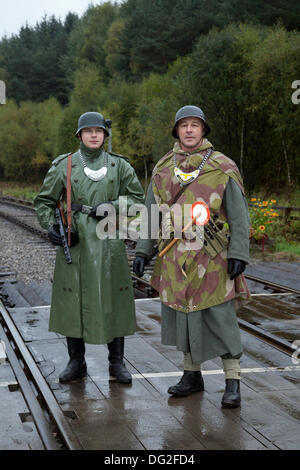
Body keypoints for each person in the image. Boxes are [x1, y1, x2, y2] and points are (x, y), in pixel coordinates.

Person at [133, 105, 251, 407]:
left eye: (194, 125)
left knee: (221, 318)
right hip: (174, 259)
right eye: (183, 125)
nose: (189, 130)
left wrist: (238, 252)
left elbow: (238, 215)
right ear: (176, 131)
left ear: (203, 130)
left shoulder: (222, 166)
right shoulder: (162, 168)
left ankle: (232, 380)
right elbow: (150, 214)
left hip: (213, 258)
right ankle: (191, 375)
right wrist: (144, 250)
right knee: (183, 316)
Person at [34, 111, 144, 384]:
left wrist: (113, 206)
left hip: (110, 241)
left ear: (105, 135)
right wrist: (53, 227)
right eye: (88, 130)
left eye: (98, 131)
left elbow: (138, 200)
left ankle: (116, 363)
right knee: (73, 299)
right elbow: (44, 201)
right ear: (80, 135)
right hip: (77, 241)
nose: (94, 135)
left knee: (115, 296)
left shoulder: (120, 166)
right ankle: (76, 361)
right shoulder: (65, 165)